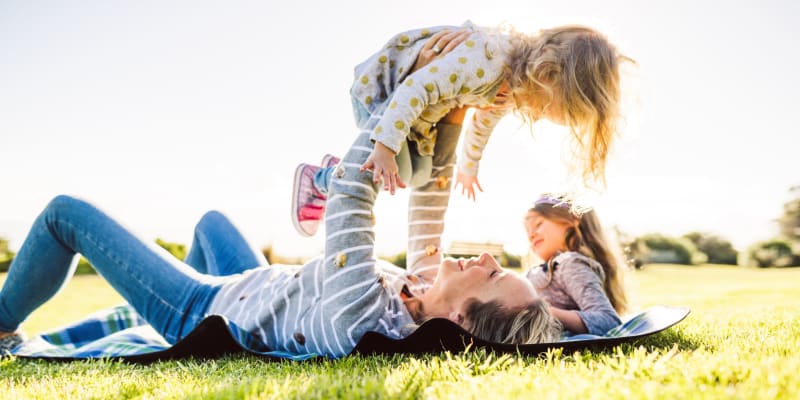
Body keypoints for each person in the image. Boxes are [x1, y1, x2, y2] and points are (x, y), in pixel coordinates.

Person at [0, 195, 562, 358]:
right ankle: (144, 299)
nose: (490, 261)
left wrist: (383, 131)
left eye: (493, 277)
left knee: (63, 215)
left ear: (460, 318)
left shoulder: (367, 315)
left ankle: (1, 327)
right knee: (210, 220)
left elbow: (349, 211)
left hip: (199, 305)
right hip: (255, 281)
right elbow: (431, 191)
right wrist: (455, 114)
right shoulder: (420, 286)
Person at [292, 20, 629, 240]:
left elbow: (483, 122)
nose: (544, 117)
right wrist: (383, 147)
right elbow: (416, 87)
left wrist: (469, 168)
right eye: (558, 110)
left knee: (418, 174)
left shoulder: (513, 86)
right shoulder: (487, 63)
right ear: (549, 74)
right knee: (393, 171)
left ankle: (334, 169)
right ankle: (319, 179)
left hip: (419, 113)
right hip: (384, 89)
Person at [523, 193, 629, 336]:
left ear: (571, 219)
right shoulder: (546, 269)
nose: (531, 235)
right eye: (528, 231)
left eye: (538, 224)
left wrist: (545, 312)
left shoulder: (570, 264)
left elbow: (608, 321)